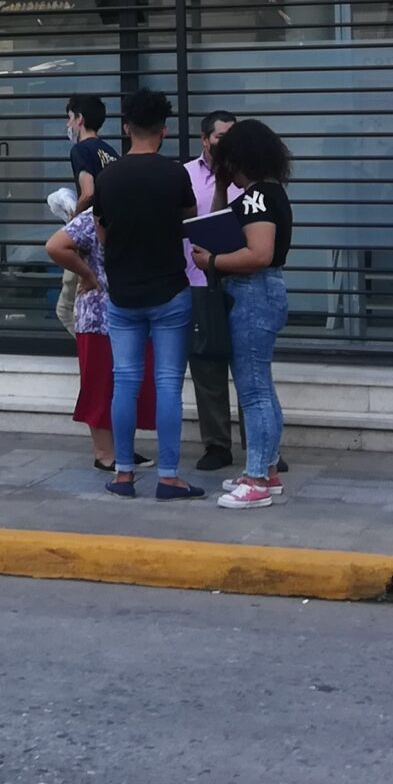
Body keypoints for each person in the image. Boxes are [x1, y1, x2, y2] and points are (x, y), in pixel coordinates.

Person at [90, 89, 198, 499]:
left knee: (125, 382)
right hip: (170, 290)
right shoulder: (175, 175)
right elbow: (190, 220)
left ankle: (123, 474)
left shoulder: (108, 177)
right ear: (164, 130)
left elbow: (101, 232)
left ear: (125, 128)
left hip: (123, 294)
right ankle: (169, 477)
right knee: (168, 384)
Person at [197, 118, 297, 510]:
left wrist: (212, 261)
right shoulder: (266, 193)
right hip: (263, 293)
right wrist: (222, 188)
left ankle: (256, 480)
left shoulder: (257, 199)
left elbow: (258, 254)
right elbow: (217, 225)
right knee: (261, 386)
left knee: (253, 391)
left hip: (252, 293)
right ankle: (266, 470)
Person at [44, 205, 155, 472]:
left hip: (134, 312)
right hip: (97, 314)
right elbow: (55, 246)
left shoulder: (140, 210)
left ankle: (122, 448)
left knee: (131, 384)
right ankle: (105, 452)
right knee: (100, 384)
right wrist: (88, 274)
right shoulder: (93, 215)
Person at [183, 110, 241, 471]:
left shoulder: (248, 176)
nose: (228, 143)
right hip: (199, 282)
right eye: (221, 137)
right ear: (205, 139)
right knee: (207, 367)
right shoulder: (185, 175)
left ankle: (263, 445)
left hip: (242, 280)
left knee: (250, 367)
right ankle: (217, 445)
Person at [53, 95, 117, 328]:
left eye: (70, 118)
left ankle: (89, 346)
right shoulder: (109, 152)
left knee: (67, 308)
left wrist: (74, 219)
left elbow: (88, 192)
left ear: (79, 119)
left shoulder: (80, 150)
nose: (68, 124)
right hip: (111, 232)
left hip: (88, 237)